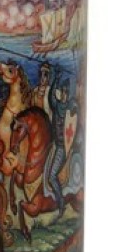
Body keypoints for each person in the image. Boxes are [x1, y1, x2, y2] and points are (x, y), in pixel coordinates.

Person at [46, 70, 78, 220]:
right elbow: (51, 97)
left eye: (66, 92)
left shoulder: (71, 107)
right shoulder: (57, 105)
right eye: (62, 91)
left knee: (52, 176)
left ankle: (61, 204)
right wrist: (55, 80)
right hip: (55, 145)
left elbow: (74, 116)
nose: (63, 94)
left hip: (63, 147)